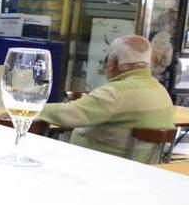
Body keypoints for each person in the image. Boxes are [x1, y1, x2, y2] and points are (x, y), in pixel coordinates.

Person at [36, 35, 174, 162]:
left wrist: (30, 107)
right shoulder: (160, 90)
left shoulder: (117, 93)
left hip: (100, 169)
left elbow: (70, 113)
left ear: (112, 63)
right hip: (145, 172)